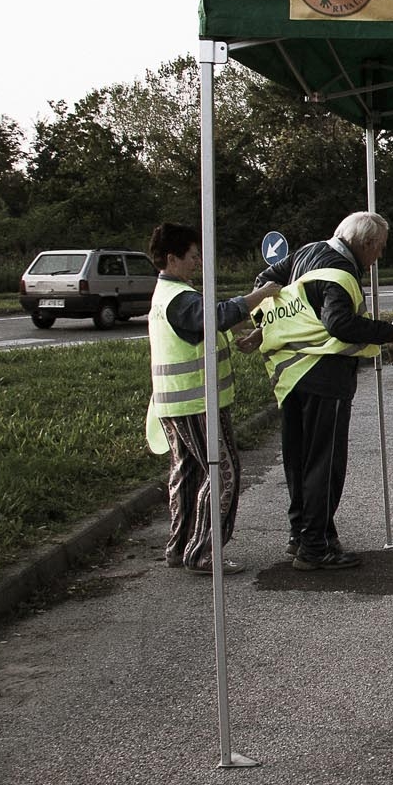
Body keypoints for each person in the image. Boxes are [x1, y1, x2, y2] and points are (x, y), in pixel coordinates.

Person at [253, 211, 393, 571]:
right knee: (324, 463)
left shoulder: (308, 252)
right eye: (380, 249)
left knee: (299, 459)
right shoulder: (340, 272)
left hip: (290, 374)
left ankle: (303, 534)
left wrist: (268, 322)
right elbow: (339, 324)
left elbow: (264, 281)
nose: (379, 257)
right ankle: (314, 546)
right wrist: (392, 333)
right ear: (366, 243)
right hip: (325, 375)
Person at [144, 223, 281, 574]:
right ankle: (203, 553)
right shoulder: (180, 298)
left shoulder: (170, 294)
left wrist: (237, 336)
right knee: (224, 473)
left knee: (188, 473)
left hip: (177, 402)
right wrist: (261, 295)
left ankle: (179, 546)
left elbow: (205, 328)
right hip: (197, 403)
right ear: (172, 259)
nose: (198, 261)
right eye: (192, 256)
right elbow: (215, 317)